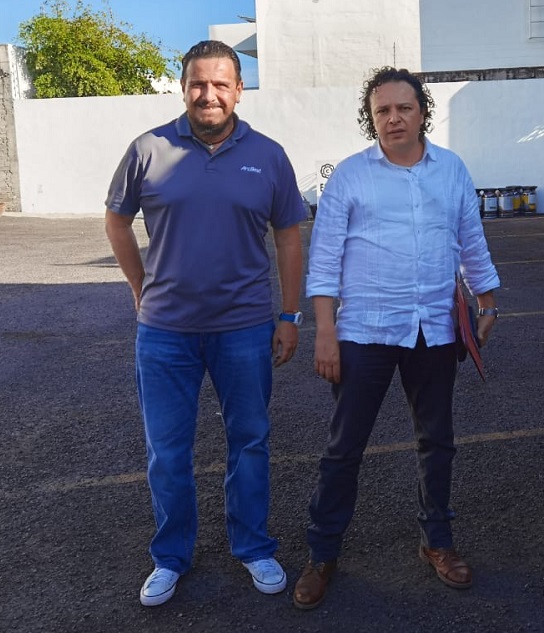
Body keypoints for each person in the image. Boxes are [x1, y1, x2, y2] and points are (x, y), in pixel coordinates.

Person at [104, 40, 307, 607]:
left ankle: (254, 546)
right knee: (167, 452)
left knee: (250, 442)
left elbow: (289, 238)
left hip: (245, 328)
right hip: (165, 333)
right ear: (183, 88)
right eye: (198, 83)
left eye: (220, 84)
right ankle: (171, 556)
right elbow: (116, 222)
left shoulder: (268, 156)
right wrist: (139, 288)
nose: (208, 94)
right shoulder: (148, 150)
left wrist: (289, 315)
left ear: (239, 90)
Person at [292, 66, 500, 611]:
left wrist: (487, 300)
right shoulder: (349, 177)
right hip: (365, 331)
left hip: (435, 328)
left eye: (403, 108)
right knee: (344, 447)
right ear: (372, 118)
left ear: (422, 112)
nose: (393, 118)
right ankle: (322, 553)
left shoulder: (451, 170)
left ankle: (438, 542)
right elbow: (324, 260)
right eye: (382, 110)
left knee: (438, 442)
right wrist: (325, 333)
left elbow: (470, 240)